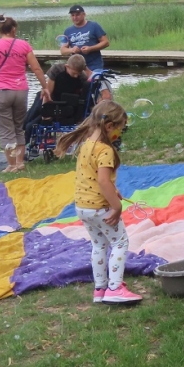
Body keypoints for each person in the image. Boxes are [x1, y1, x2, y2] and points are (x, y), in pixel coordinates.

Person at [54, 100, 141, 305]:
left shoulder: (86, 145)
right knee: (120, 242)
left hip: (83, 208)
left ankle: (100, 288)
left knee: (99, 245)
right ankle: (115, 288)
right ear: (109, 126)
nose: (119, 134)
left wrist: (113, 189)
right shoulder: (105, 150)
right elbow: (102, 181)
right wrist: (116, 206)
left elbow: (92, 176)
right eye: (120, 129)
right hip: (100, 208)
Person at [0, 15, 49, 172]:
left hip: (1, 91)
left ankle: (11, 164)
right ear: (14, 29)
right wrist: (45, 87)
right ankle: (20, 162)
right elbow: (36, 68)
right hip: (20, 91)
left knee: (6, 130)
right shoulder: (24, 45)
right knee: (19, 127)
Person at [61, 5, 110, 72]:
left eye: (77, 15)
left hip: (94, 66)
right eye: (72, 15)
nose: (75, 17)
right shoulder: (68, 31)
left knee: (95, 78)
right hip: (76, 67)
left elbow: (106, 42)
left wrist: (90, 49)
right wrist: (72, 50)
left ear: (84, 14)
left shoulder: (94, 26)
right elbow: (63, 50)